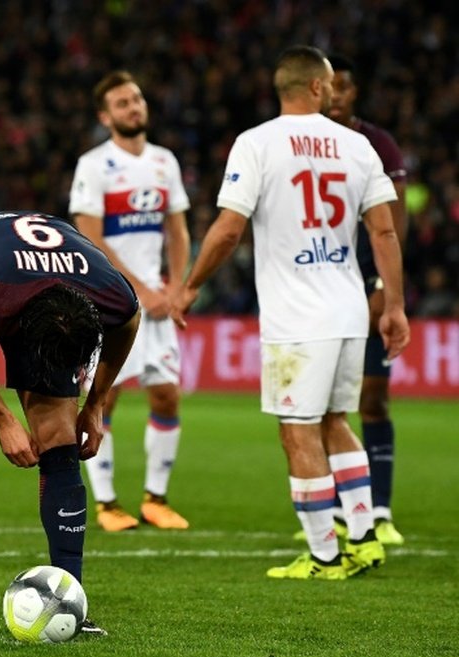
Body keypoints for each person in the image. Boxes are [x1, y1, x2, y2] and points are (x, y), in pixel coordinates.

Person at [170, 46, 409, 580]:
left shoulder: (256, 144)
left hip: (298, 316)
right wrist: (393, 305)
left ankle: (325, 555)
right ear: (319, 87)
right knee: (335, 423)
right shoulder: (358, 146)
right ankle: (365, 537)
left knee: (298, 432)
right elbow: (386, 229)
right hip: (350, 308)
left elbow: (229, 228)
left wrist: (190, 287)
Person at [0, 210, 140, 636]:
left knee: (60, 438)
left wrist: (95, 404)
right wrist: (3, 419)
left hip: (53, 290)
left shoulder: (108, 289)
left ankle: (71, 596)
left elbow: (129, 324)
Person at [69, 70, 192, 532]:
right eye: (122, 103)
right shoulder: (94, 165)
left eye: (137, 99)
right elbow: (91, 236)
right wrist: (142, 290)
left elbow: (177, 229)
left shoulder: (165, 161)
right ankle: (106, 504)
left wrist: (177, 287)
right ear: (106, 117)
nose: (133, 107)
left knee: (167, 395)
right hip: (110, 300)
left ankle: (155, 499)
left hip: (159, 301)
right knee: (105, 395)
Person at [326, 53, 409, 546]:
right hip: (325, 289)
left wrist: (384, 285)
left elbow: (393, 220)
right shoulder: (302, 145)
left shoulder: (377, 144)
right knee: (325, 407)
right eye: (328, 85)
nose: (336, 93)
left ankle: (380, 510)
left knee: (373, 400)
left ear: (354, 92)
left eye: (344, 86)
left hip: (368, 286)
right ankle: (338, 509)